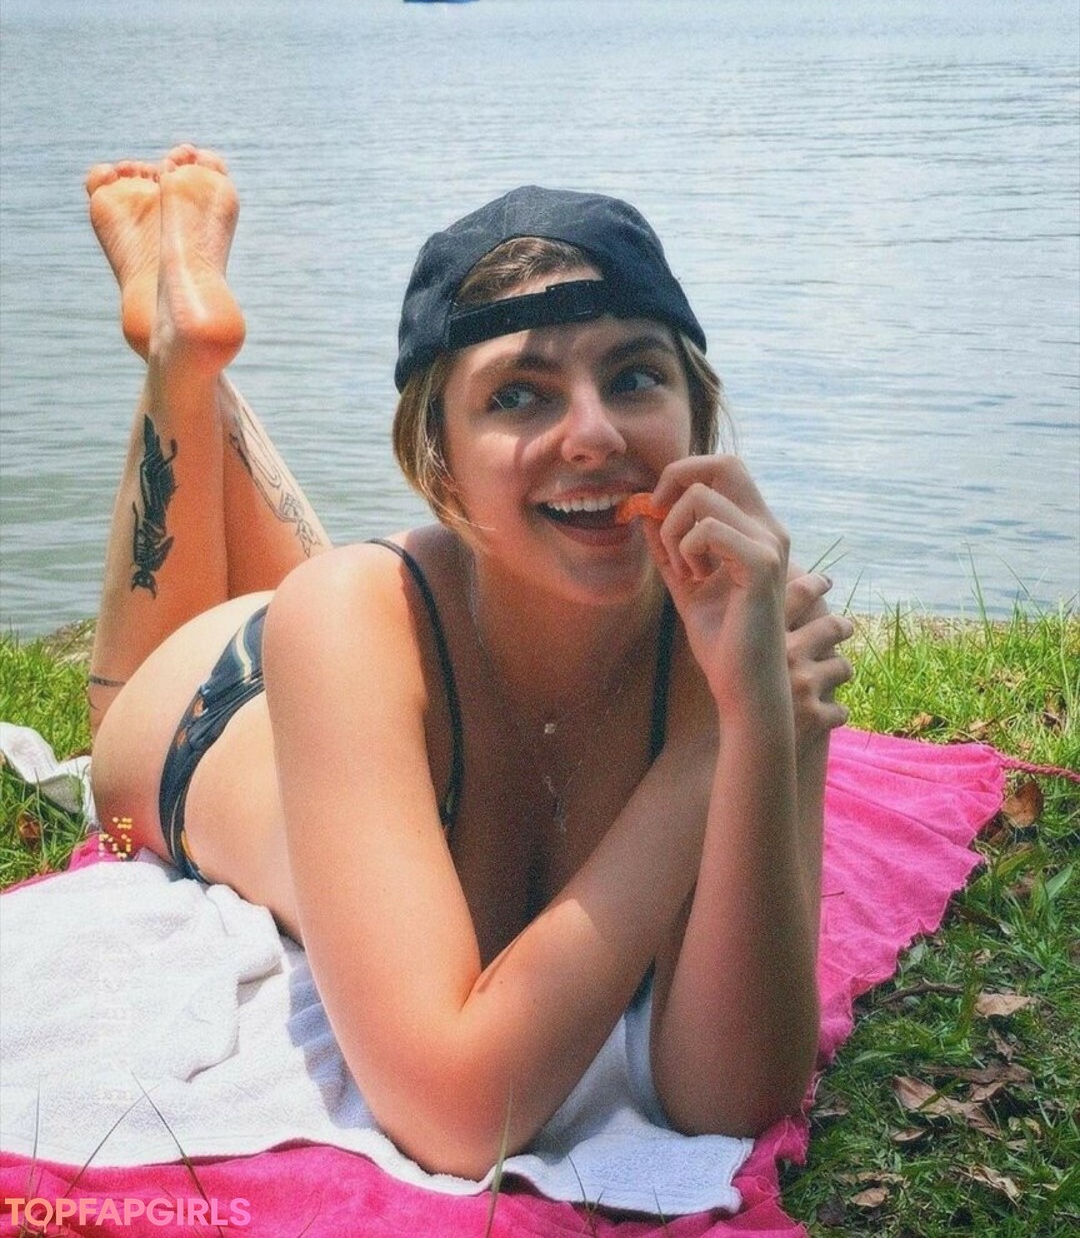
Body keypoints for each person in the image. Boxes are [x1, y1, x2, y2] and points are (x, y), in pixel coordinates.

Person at [85, 145, 853, 1180]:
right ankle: (182, 352)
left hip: (404, 633)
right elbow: (456, 1116)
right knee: (242, 641)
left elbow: (731, 1096)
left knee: (328, 592)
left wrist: (758, 716)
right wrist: (708, 752)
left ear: (698, 418)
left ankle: (198, 352)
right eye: (521, 396)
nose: (594, 433)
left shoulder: (742, 628)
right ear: (437, 468)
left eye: (634, 376)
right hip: (198, 723)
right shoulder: (348, 616)